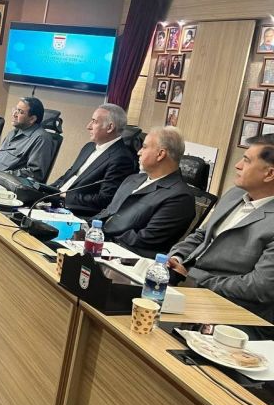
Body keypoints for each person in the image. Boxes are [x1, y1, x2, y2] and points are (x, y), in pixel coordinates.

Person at [167, 134, 274, 323]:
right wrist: (176, 257)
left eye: (247, 161)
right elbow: (201, 235)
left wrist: (193, 277)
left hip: (231, 311)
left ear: (269, 174)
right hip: (185, 284)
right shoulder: (235, 194)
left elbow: (259, 287)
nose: (238, 165)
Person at [92, 126, 195, 258]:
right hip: (100, 242)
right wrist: (85, 228)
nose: (139, 152)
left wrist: (100, 236)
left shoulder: (181, 197)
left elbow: (145, 239)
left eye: (144, 147)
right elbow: (108, 211)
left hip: (125, 257)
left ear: (160, 154)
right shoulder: (133, 179)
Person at [51, 104, 137, 218]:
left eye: (94, 121)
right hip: (54, 201)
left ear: (110, 127)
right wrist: (47, 190)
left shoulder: (122, 158)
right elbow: (69, 175)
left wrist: (65, 196)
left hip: (75, 212)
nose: (88, 126)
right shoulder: (89, 147)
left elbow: (105, 199)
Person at [0, 97, 54, 181]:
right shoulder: (13, 132)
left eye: (20, 112)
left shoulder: (41, 139)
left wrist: (1, 174)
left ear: (32, 119)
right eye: (15, 109)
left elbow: (34, 174)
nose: (14, 114)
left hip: (4, 182)